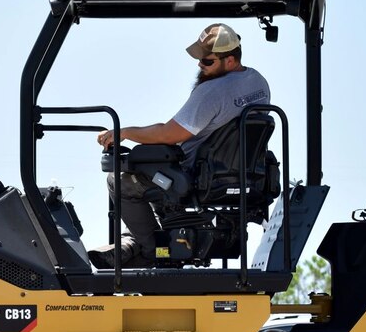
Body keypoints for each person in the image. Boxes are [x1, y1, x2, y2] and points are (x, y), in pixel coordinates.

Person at [89, 23, 271, 269]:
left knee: (119, 179)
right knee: (152, 172)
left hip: (195, 172)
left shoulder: (212, 92)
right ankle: (136, 239)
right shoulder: (258, 83)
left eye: (207, 62)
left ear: (230, 61)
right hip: (238, 176)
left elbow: (169, 134)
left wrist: (124, 133)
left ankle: (149, 250)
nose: (200, 66)